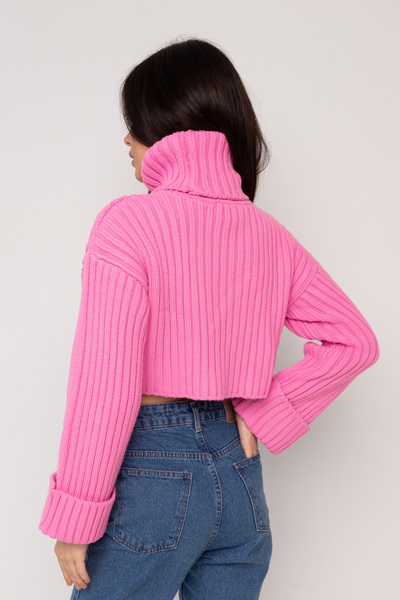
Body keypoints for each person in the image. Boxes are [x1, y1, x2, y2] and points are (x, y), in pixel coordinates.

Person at [38, 37, 380, 600]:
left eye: (134, 123)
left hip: (152, 477)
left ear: (165, 122)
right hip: (239, 478)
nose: (126, 139)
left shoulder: (128, 224)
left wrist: (77, 512)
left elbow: (106, 383)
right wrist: (268, 411)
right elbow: (355, 342)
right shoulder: (267, 234)